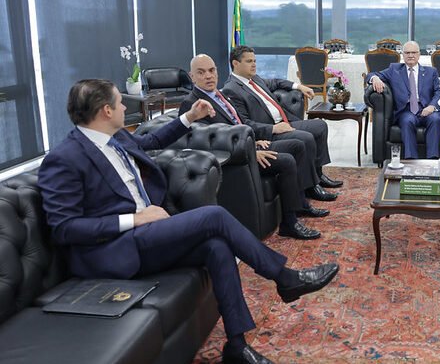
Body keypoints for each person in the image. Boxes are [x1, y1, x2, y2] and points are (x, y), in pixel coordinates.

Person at [38, 79, 339, 364]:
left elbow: (152, 140)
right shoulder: (64, 158)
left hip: (146, 235)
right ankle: (285, 278)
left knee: (216, 247)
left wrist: (190, 117)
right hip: (113, 249)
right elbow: (64, 229)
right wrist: (134, 219)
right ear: (106, 111)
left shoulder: (116, 137)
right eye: (119, 103)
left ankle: (237, 346)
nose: (123, 107)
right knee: (214, 215)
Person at [180, 54, 329, 240]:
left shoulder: (219, 95)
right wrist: (250, 151)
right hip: (236, 158)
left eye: (211, 70)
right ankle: (289, 223)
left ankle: (301, 203)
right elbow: (203, 143)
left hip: (249, 145)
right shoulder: (192, 104)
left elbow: (238, 124)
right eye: (201, 72)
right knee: (286, 161)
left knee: (297, 146)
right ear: (192, 76)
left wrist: (254, 141)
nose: (208, 76)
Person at [223, 45, 342, 201]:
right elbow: (244, 123)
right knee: (306, 138)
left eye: (255, 61)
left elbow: (276, 82)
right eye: (249, 61)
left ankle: (318, 175)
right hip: (270, 132)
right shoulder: (231, 89)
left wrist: (299, 86)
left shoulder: (254, 79)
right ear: (235, 63)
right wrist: (273, 128)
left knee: (320, 126)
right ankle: (310, 187)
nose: (254, 65)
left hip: (285, 121)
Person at [365, 40, 440, 159]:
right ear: (403, 54)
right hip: (406, 110)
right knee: (407, 121)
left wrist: (432, 106)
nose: (410, 55)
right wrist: (375, 79)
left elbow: (438, 91)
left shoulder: (431, 72)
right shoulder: (394, 70)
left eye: (414, 52)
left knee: (435, 119)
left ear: (419, 54)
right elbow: (370, 75)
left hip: (427, 108)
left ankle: (432, 160)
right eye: (407, 53)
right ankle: (411, 160)